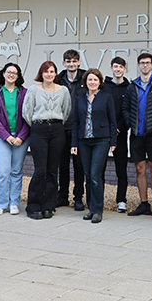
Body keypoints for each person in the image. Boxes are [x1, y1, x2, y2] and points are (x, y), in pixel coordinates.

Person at [22, 61, 71, 220]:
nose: (49, 74)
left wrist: (54, 124)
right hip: (39, 130)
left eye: (52, 71)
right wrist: (39, 124)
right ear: (41, 73)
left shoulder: (63, 90)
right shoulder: (33, 90)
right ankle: (34, 206)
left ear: (55, 73)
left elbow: (66, 110)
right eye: (46, 71)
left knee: (52, 170)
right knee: (40, 170)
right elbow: (27, 112)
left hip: (57, 130)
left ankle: (49, 205)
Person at [122, 52, 152, 218]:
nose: (145, 65)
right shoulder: (132, 86)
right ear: (138, 65)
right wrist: (130, 122)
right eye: (142, 63)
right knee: (140, 169)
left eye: (148, 63)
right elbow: (125, 108)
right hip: (136, 135)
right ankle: (143, 204)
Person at [71, 69, 117, 224]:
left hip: (101, 140)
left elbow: (112, 121)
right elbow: (75, 122)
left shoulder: (106, 97)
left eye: (95, 80)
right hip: (84, 141)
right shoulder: (79, 98)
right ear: (85, 82)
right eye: (90, 80)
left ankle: (98, 210)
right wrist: (74, 143)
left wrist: (113, 141)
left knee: (95, 175)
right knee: (88, 177)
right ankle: (91, 208)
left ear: (100, 82)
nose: (92, 82)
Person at [0, 62, 31, 216]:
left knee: (17, 171)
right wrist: (6, 136)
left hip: (21, 138)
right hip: (1, 137)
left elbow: (28, 116)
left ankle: (13, 203)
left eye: (15, 72)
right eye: (9, 71)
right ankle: (0, 203)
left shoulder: (24, 93)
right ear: (3, 73)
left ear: (18, 76)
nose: (11, 74)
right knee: (3, 171)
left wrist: (21, 136)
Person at [57, 49, 86, 211]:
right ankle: (62, 197)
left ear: (79, 62)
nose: (71, 64)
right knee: (62, 165)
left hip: (80, 129)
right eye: (68, 61)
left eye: (74, 61)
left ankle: (78, 198)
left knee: (79, 165)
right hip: (61, 128)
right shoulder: (58, 79)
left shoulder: (85, 78)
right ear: (64, 63)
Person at [102, 56, 130, 213]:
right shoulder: (104, 86)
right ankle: (99, 197)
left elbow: (130, 111)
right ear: (111, 68)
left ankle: (121, 200)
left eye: (121, 67)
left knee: (122, 168)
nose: (118, 69)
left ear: (125, 69)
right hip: (104, 133)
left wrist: (118, 127)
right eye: (115, 66)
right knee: (100, 167)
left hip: (121, 132)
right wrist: (109, 127)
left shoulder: (129, 87)